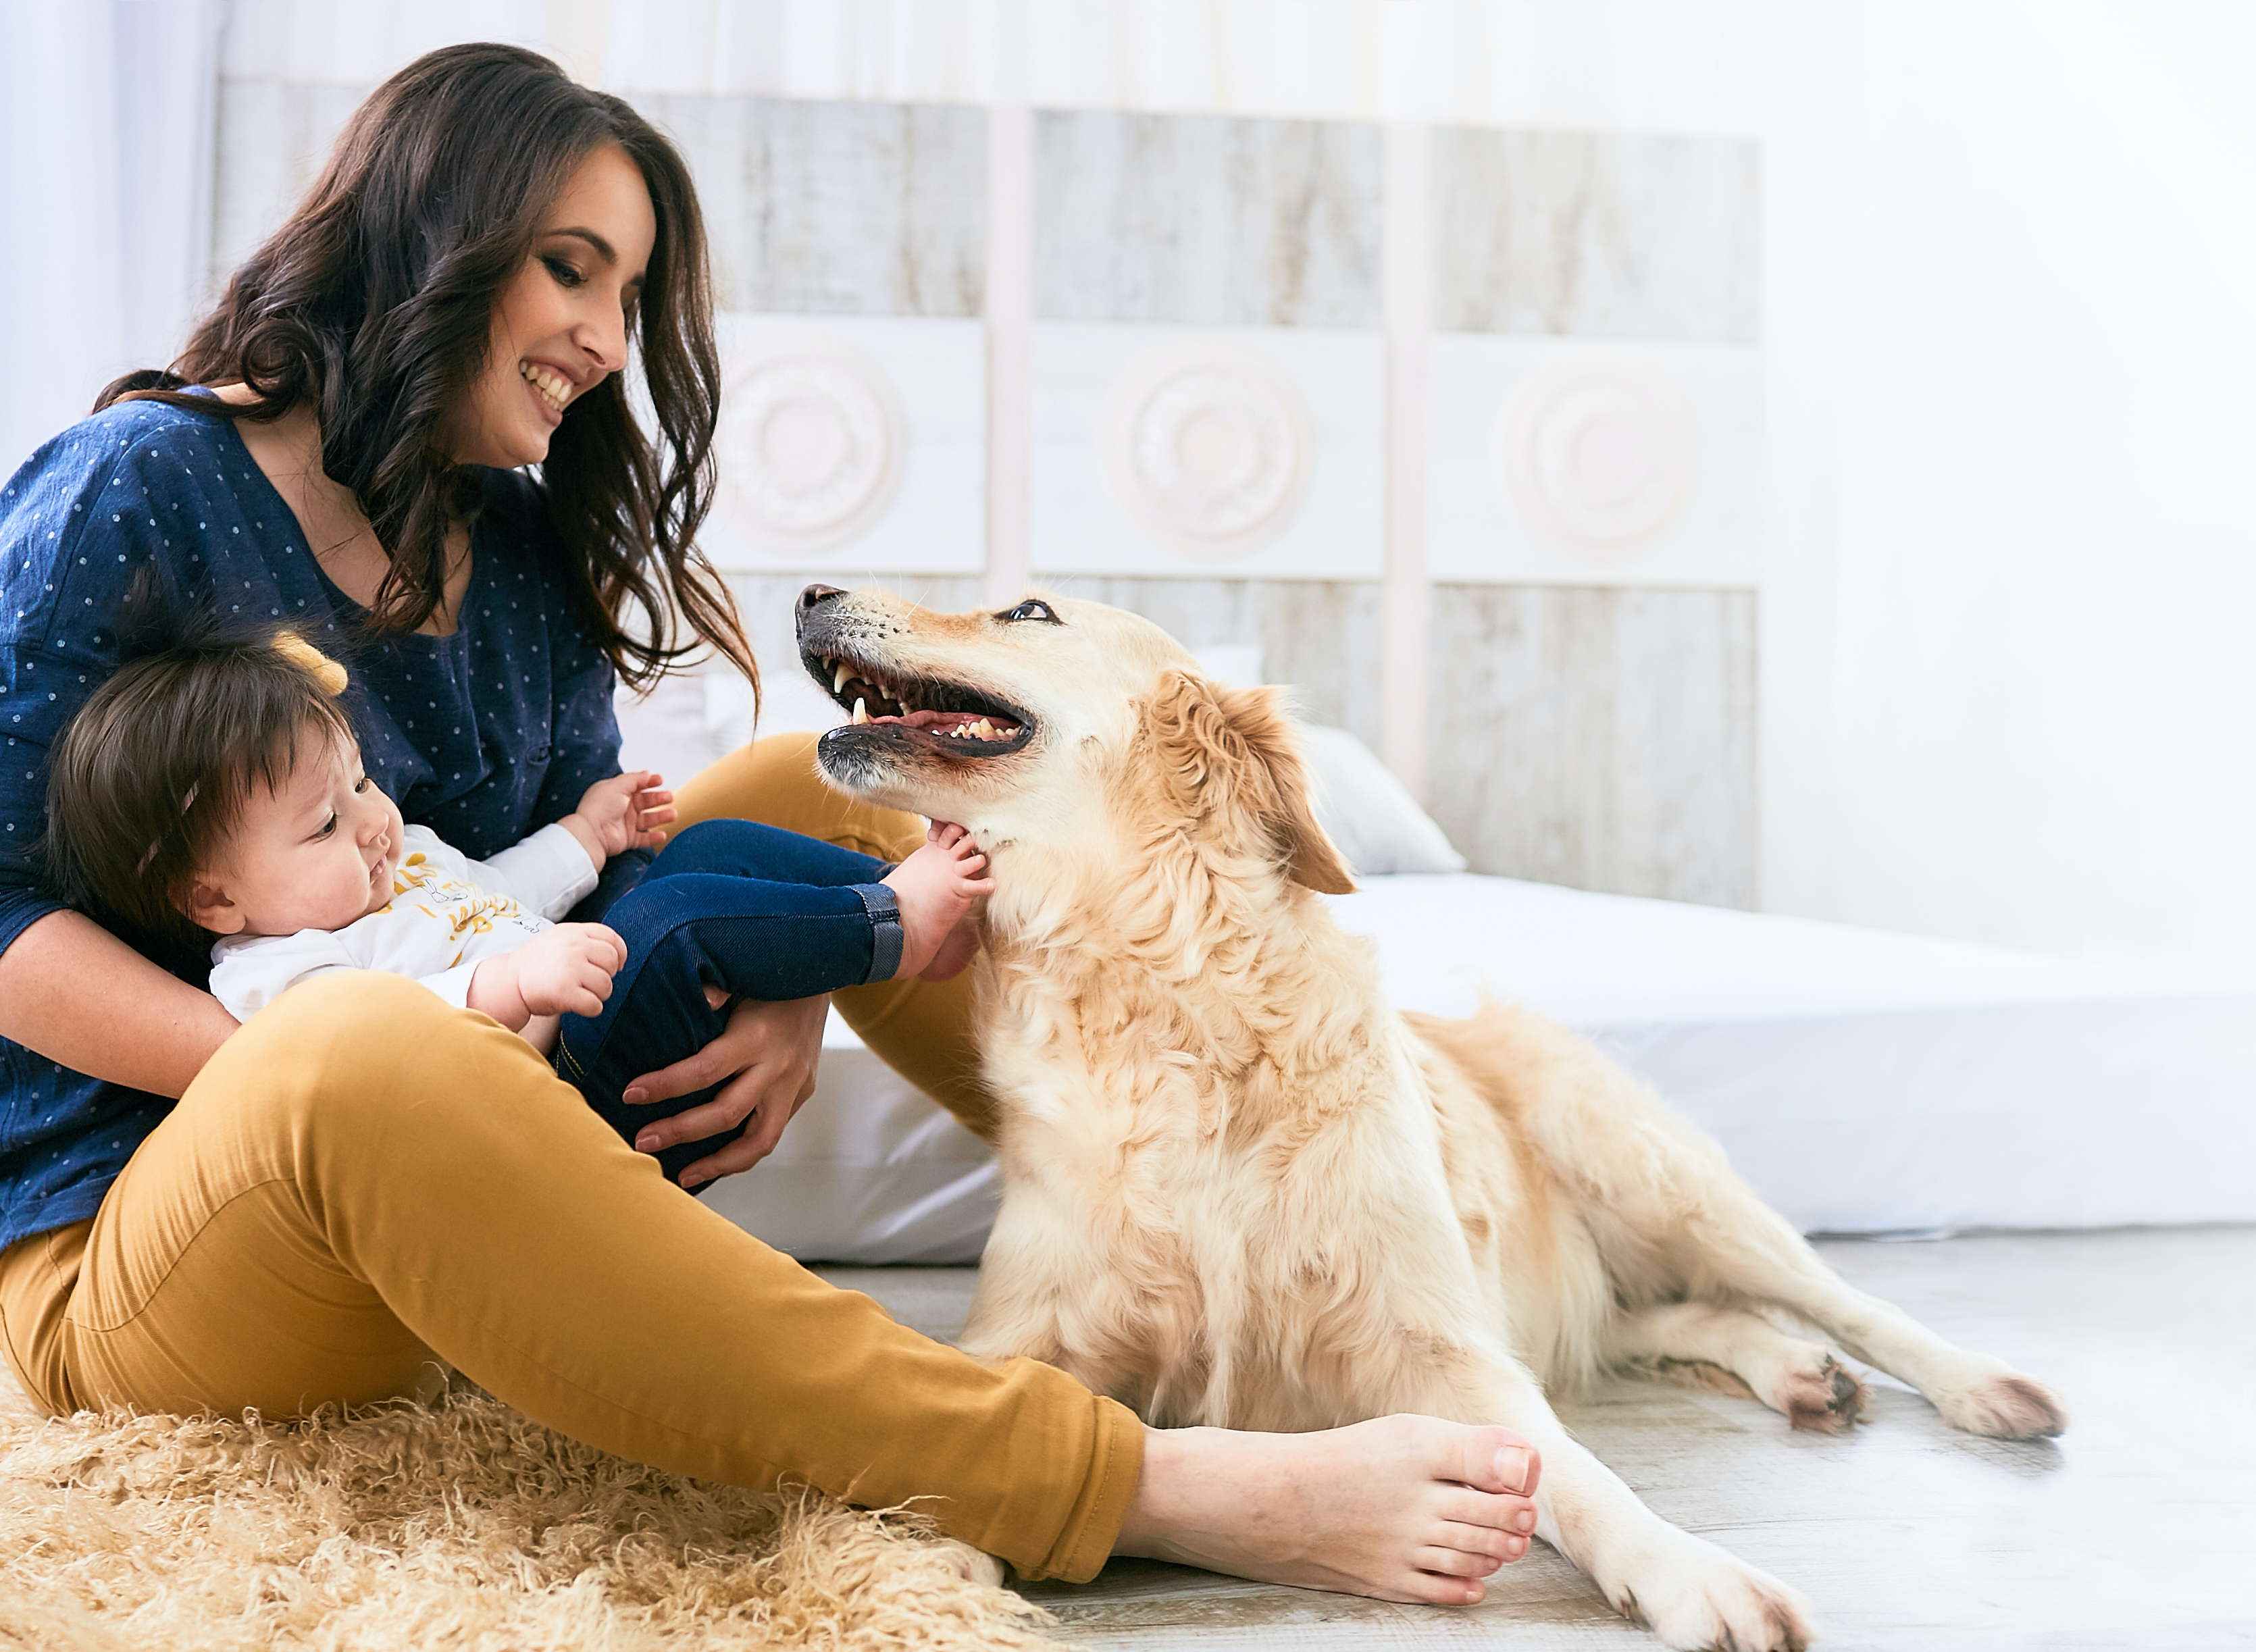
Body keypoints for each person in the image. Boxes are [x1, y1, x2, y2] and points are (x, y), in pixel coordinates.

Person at [0, 41, 1542, 1604]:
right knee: (366, 1048)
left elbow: (603, 874)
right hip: (153, 1231)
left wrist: (799, 985)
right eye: (569, 272)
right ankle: (1115, 1476)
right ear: (427, 237)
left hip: (492, 1101)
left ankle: (1208, 1240)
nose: (606, 341)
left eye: (628, 298)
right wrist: (326, 1051)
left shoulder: (520, 545)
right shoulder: (141, 485)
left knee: (838, 780)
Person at [36, 611, 994, 1186]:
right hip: (553, 1098)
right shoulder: (273, 974)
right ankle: (895, 922)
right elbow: (379, 1037)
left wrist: (589, 834)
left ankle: (895, 912)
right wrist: (514, 983)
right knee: (672, 921)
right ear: (214, 899)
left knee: (703, 848)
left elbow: (495, 889)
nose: (371, 820)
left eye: (361, 782)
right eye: (322, 825)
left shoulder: (393, 862)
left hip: (585, 1012)